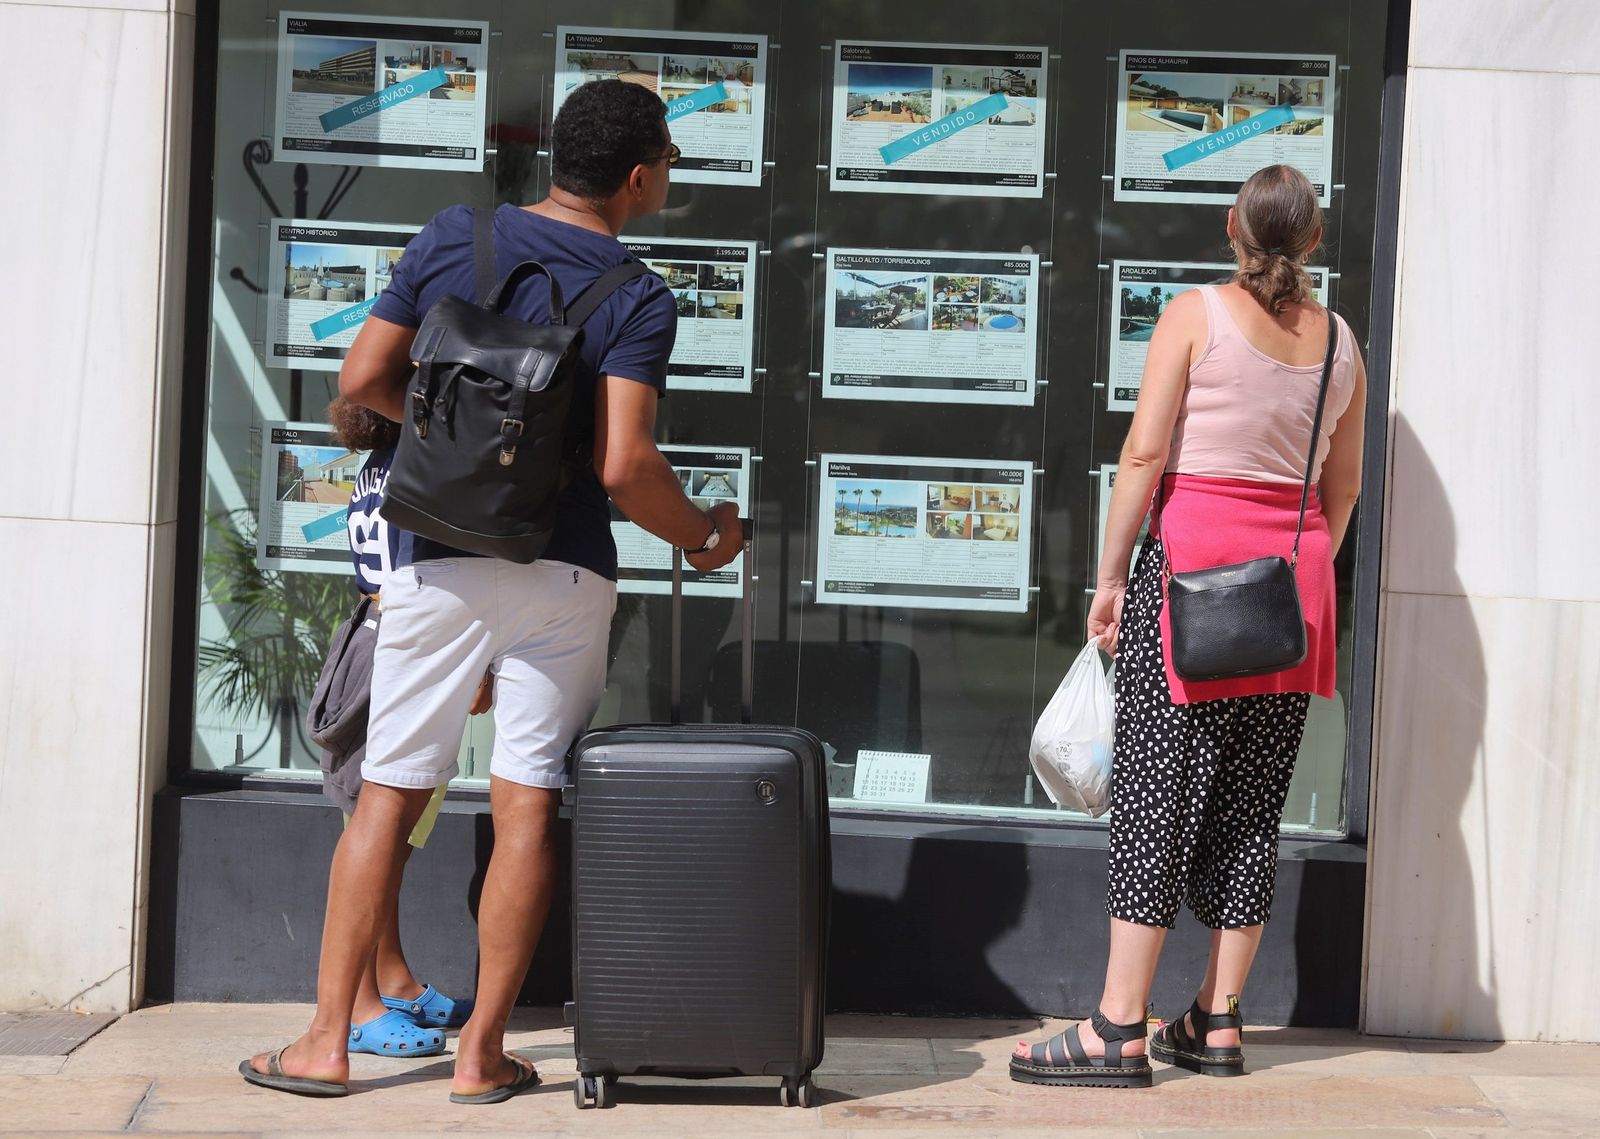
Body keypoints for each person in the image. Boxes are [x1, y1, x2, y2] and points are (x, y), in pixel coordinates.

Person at [242, 78, 745, 1102]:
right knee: (525, 807)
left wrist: (444, 448)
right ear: (640, 176)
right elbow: (623, 466)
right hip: (564, 573)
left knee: (388, 792)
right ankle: (481, 1052)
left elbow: (362, 380)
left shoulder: (453, 237)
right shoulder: (640, 294)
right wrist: (703, 538)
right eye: (667, 169)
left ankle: (326, 1042)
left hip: (440, 560)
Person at [1011, 165, 1367, 1088]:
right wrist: (1295, 563)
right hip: (1292, 592)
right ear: (1315, 239)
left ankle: (1116, 1026)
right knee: (1253, 811)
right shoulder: (1342, 343)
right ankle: (1215, 1021)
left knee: (1154, 801)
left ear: (1230, 229)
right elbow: (1345, 486)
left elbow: (1144, 450)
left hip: (1192, 578)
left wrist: (1108, 574)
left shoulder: (1194, 316)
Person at [305, 397, 480, 1061]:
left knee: (388, 832)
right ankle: (360, 1006)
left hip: (379, 642)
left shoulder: (380, 463)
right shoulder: (419, 459)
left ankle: (394, 978)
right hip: (404, 652)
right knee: (383, 831)